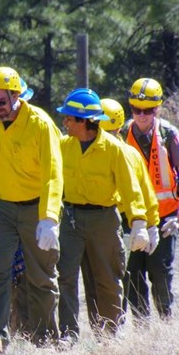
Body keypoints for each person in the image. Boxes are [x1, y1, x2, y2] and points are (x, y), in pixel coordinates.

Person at [0, 66, 63, 353]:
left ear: (16, 95)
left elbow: (54, 173)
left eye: (1, 102)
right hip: (1, 205)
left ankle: (44, 338)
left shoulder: (41, 124)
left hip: (35, 208)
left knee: (40, 275)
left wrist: (49, 217)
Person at [56, 88, 149, 339]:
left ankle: (110, 332)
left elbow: (131, 189)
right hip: (71, 219)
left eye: (69, 118)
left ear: (85, 121)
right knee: (65, 276)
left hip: (104, 219)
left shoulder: (113, 149)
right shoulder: (63, 146)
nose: (64, 122)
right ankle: (68, 334)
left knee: (108, 278)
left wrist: (139, 221)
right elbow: (52, 182)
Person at [120, 78, 179, 319]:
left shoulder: (168, 133)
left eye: (148, 110)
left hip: (165, 216)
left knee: (160, 271)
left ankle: (166, 319)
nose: (141, 115)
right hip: (131, 217)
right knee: (132, 272)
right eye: (136, 110)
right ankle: (142, 324)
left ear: (157, 108)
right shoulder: (122, 133)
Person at [99, 98, 161, 317]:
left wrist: (151, 225)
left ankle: (125, 322)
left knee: (125, 274)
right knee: (115, 276)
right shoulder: (126, 153)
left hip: (123, 220)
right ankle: (114, 323)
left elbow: (145, 192)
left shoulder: (128, 154)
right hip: (109, 220)